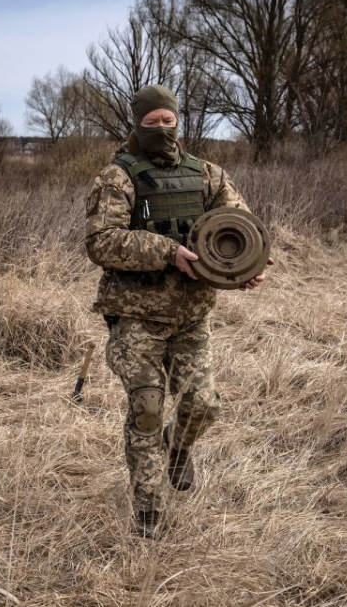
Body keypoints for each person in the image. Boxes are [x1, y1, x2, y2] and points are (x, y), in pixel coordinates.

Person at [84, 84, 270, 538]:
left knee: (203, 405)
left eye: (169, 121)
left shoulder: (207, 174)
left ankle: (178, 447)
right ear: (138, 123)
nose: (163, 130)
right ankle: (149, 513)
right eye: (153, 123)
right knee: (147, 408)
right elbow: (100, 242)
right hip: (135, 318)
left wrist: (246, 268)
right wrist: (168, 252)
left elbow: (240, 228)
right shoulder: (117, 178)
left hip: (191, 316)